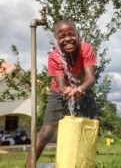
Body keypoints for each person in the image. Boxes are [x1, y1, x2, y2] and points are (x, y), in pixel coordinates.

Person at [25, 20, 98, 167]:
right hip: (59, 93)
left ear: (77, 35)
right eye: (62, 36)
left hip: (82, 89)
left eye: (71, 34)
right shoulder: (54, 57)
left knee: (92, 125)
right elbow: (61, 85)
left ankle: (85, 163)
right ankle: (29, 166)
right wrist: (68, 90)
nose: (67, 39)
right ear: (56, 41)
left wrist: (80, 89)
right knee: (46, 132)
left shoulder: (86, 49)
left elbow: (90, 78)